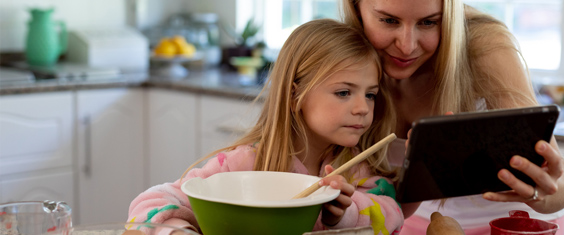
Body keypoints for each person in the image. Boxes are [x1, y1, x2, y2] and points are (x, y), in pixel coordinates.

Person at [127, 19, 405, 233]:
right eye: (344, 92)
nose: (363, 107)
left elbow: (392, 217)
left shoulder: (359, 171)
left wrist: (345, 215)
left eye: (370, 94)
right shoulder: (246, 163)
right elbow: (150, 203)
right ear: (295, 95)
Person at [341, 0, 564, 234]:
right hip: (406, 220)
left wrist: (546, 192)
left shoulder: (484, 44)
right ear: (356, 10)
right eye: (389, 20)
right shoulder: (342, 54)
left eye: (429, 22)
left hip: (511, 224)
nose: (407, 46)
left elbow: (561, 183)